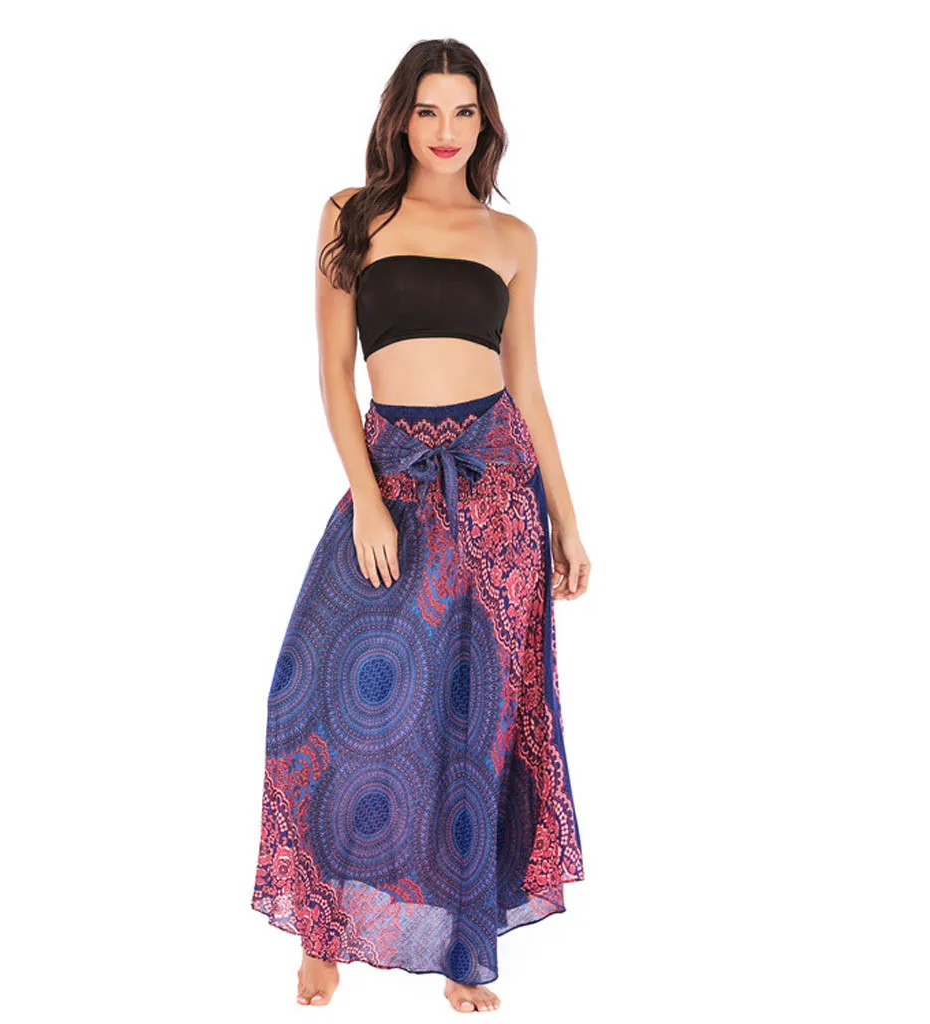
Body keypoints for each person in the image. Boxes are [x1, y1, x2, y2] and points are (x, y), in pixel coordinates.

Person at [250, 38, 590, 1013]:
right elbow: (333, 371)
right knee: (311, 699)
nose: (447, 131)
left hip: (498, 490)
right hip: (393, 474)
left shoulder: (510, 236)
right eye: (429, 110)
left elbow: (526, 385)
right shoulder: (351, 214)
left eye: (464, 112)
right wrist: (365, 496)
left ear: (486, 123)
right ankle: (324, 927)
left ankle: (463, 948)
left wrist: (566, 521)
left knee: (476, 723)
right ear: (400, 117)